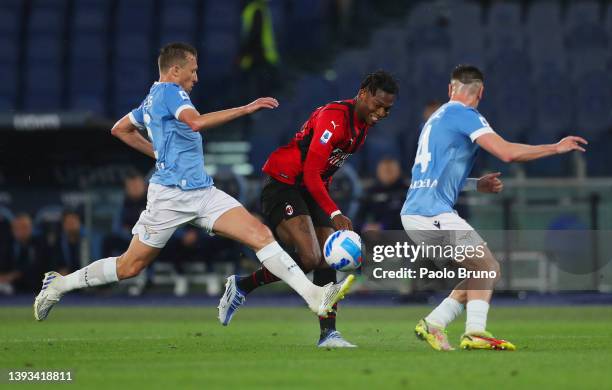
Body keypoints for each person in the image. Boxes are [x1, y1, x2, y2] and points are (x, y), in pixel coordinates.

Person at [34, 42, 353, 321]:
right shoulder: (171, 93)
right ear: (175, 70)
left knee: (259, 234)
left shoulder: (150, 99)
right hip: (169, 198)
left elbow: (120, 128)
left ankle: (314, 296)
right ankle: (59, 284)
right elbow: (196, 123)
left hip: (202, 192)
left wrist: (159, 153)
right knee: (129, 267)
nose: (196, 78)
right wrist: (246, 108)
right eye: (193, 70)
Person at [404, 65, 587, 351]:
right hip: (431, 213)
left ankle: (434, 323)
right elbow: (507, 153)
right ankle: (475, 332)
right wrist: (555, 147)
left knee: (485, 270)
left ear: (451, 89)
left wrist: (477, 184)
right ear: (481, 92)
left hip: (418, 212)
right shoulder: (463, 114)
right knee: (486, 266)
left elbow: (437, 173)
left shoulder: (435, 119)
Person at [218, 71, 398, 348]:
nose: (381, 112)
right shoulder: (334, 117)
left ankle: (328, 334)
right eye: (378, 104)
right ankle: (243, 286)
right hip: (284, 184)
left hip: (312, 189)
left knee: (326, 257)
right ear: (363, 93)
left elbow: (322, 174)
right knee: (312, 257)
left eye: (388, 108)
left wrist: (326, 207)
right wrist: (335, 212)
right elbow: (311, 172)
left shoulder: (361, 128)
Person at [359, 157, 408, 231]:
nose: (387, 174)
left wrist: (382, 226)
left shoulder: (406, 191)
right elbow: (358, 217)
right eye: (384, 171)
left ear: (398, 171)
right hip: (373, 235)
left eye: (390, 171)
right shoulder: (371, 191)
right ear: (378, 172)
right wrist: (365, 227)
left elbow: (404, 218)